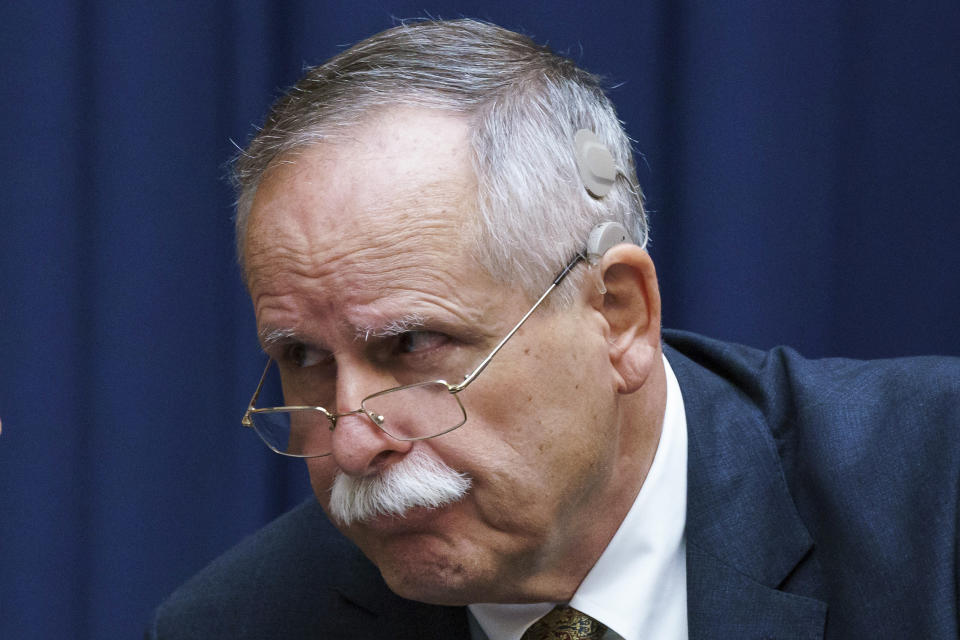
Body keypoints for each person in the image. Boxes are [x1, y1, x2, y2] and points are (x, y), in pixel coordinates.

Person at [148, 19, 959, 640]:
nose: (353, 444)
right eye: (302, 358)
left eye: (412, 346)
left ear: (619, 316)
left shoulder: (935, 499)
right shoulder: (240, 622)